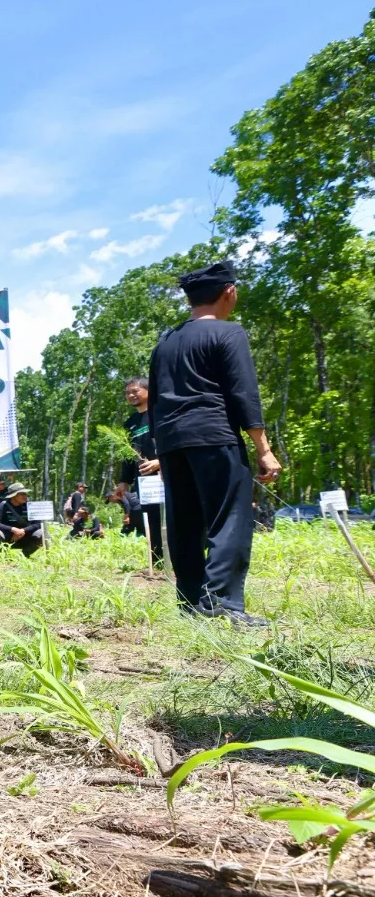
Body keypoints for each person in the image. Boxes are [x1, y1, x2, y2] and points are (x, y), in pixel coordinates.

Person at [147, 261, 280, 624]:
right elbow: (243, 393)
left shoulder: (165, 343)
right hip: (213, 435)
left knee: (184, 523)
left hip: (173, 443)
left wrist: (163, 450)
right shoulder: (228, 333)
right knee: (229, 520)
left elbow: (155, 400)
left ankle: (191, 604)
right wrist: (263, 449)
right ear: (229, 292)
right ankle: (221, 604)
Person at [107, 377, 164, 565]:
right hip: (145, 481)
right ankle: (157, 560)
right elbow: (127, 455)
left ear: (148, 391)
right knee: (149, 518)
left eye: (135, 391)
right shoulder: (130, 423)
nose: (131, 395)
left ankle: (181, 559)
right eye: (128, 393)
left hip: (166, 476)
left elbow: (176, 441)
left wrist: (160, 462)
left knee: (171, 517)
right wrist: (124, 481)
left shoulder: (161, 413)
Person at [0, 484, 43, 556]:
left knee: (41, 534)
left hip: (25, 535)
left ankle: (24, 555)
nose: (25, 496)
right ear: (14, 496)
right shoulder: (2, 506)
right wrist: (13, 529)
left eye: (25, 494)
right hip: (8, 537)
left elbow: (38, 524)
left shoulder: (29, 506)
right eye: (22, 494)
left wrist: (23, 530)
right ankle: (3, 555)